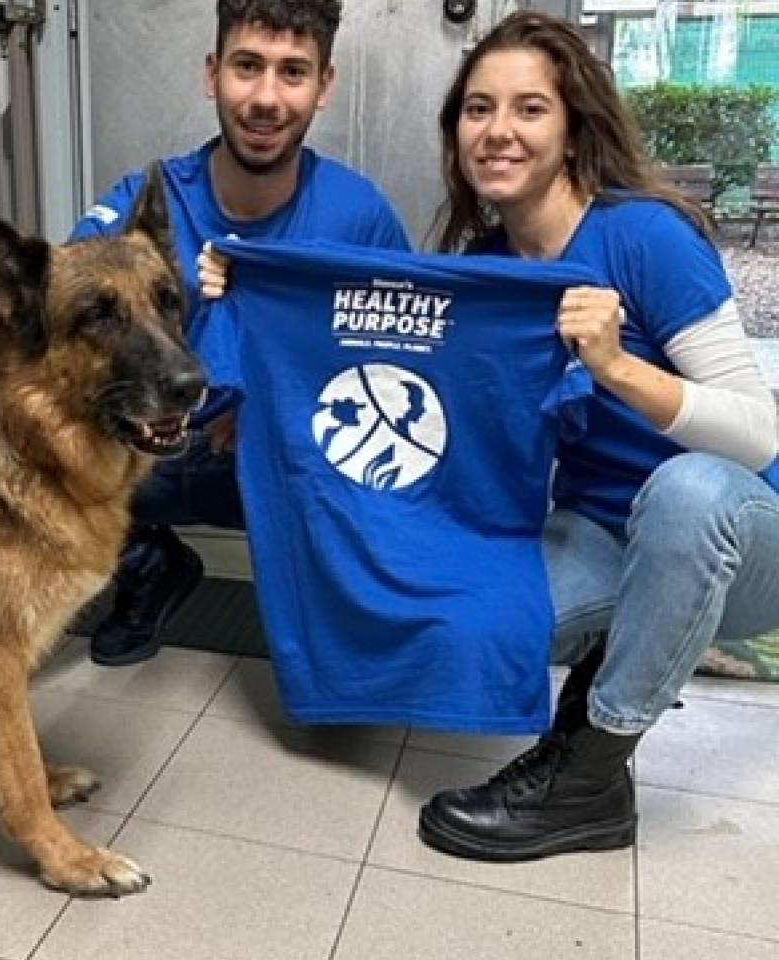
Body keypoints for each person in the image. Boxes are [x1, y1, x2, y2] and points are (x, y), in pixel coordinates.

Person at [199, 10, 778, 862]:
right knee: (464, 624)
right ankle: (621, 676)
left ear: (575, 126)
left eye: (529, 109)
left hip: (738, 534)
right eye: (478, 110)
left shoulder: (646, 235)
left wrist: (619, 369)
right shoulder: (489, 274)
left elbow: (760, 431)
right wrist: (240, 282)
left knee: (686, 491)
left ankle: (587, 773)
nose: (498, 131)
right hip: (601, 534)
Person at [0, 0, 411, 667]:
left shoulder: (359, 215)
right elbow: (63, 318)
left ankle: (333, 622)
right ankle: (147, 568)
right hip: (150, 450)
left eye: (293, 72)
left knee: (359, 476)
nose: (266, 97)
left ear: (324, 86)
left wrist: (277, 415)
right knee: (23, 438)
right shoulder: (149, 194)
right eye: (247, 67)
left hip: (284, 460)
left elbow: (400, 374)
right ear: (213, 73)